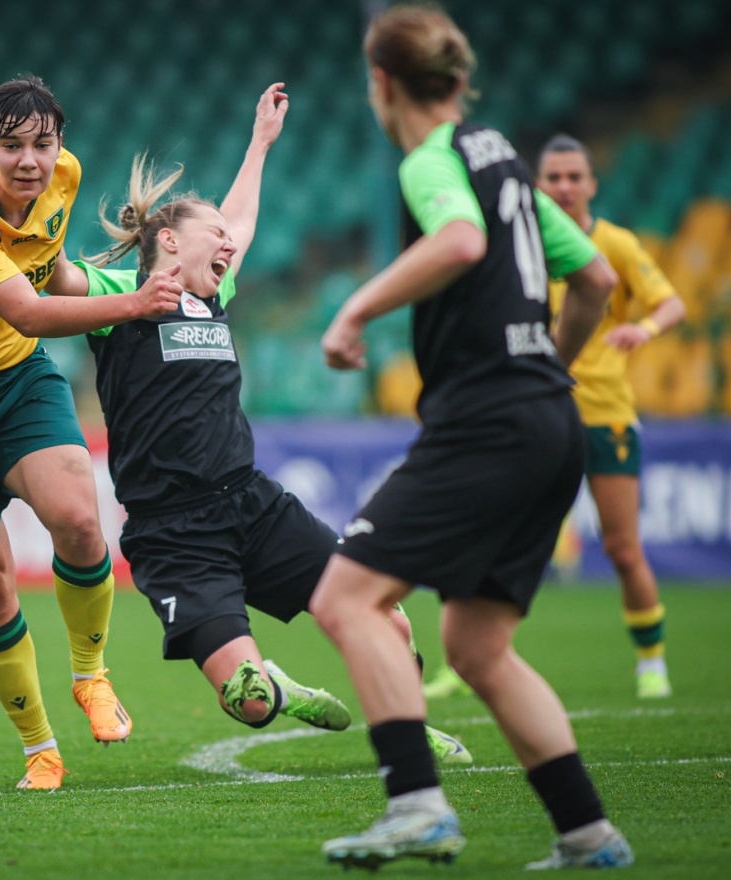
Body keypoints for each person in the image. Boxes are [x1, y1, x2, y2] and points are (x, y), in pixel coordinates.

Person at [311, 4, 633, 870]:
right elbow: (596, 278)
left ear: (382, 83)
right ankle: (589, 833)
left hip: (488, 420)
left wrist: (355, 309)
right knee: (478, 648)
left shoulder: (431, 160)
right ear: (457, 78)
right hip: (548, 418)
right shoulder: (508, 163)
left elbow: (458, 241)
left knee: (345, 599)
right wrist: (548, 367)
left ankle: (416, 807)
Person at [65, 84, 470, 764]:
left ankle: (410, 731)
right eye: (214, 235)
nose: (230, 244)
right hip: (173, 533)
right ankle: (277, 686)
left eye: (228, 241)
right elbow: (52, 284)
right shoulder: (120, 296)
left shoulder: (213, 294)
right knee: (249, 702)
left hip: (252, 504)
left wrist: (259, 144)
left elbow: (243, 222)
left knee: (382, 615)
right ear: (169, 240)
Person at [0, 76, 181, 790]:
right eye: (12, 145)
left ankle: (91, 675)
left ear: (59, 145)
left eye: (42, 144)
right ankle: (39, 749)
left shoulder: (63, 177)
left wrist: (121, 288)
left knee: (80, 520)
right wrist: (136, 304)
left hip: (18, 378)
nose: (30, 161)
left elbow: (53, 275)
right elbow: (25, 307)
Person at [539, 135, 685, 699]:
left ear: (592, 184)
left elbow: (671, 302)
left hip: (605, 414)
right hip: (540, 414)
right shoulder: (524, 244)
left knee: (623, 548)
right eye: (554, 177)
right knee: (498, 543)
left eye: (574, 176)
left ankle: (652, 663)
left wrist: (642, 329)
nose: (565, 186)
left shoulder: (616, 245)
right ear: (539, 185)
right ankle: (463, 666)